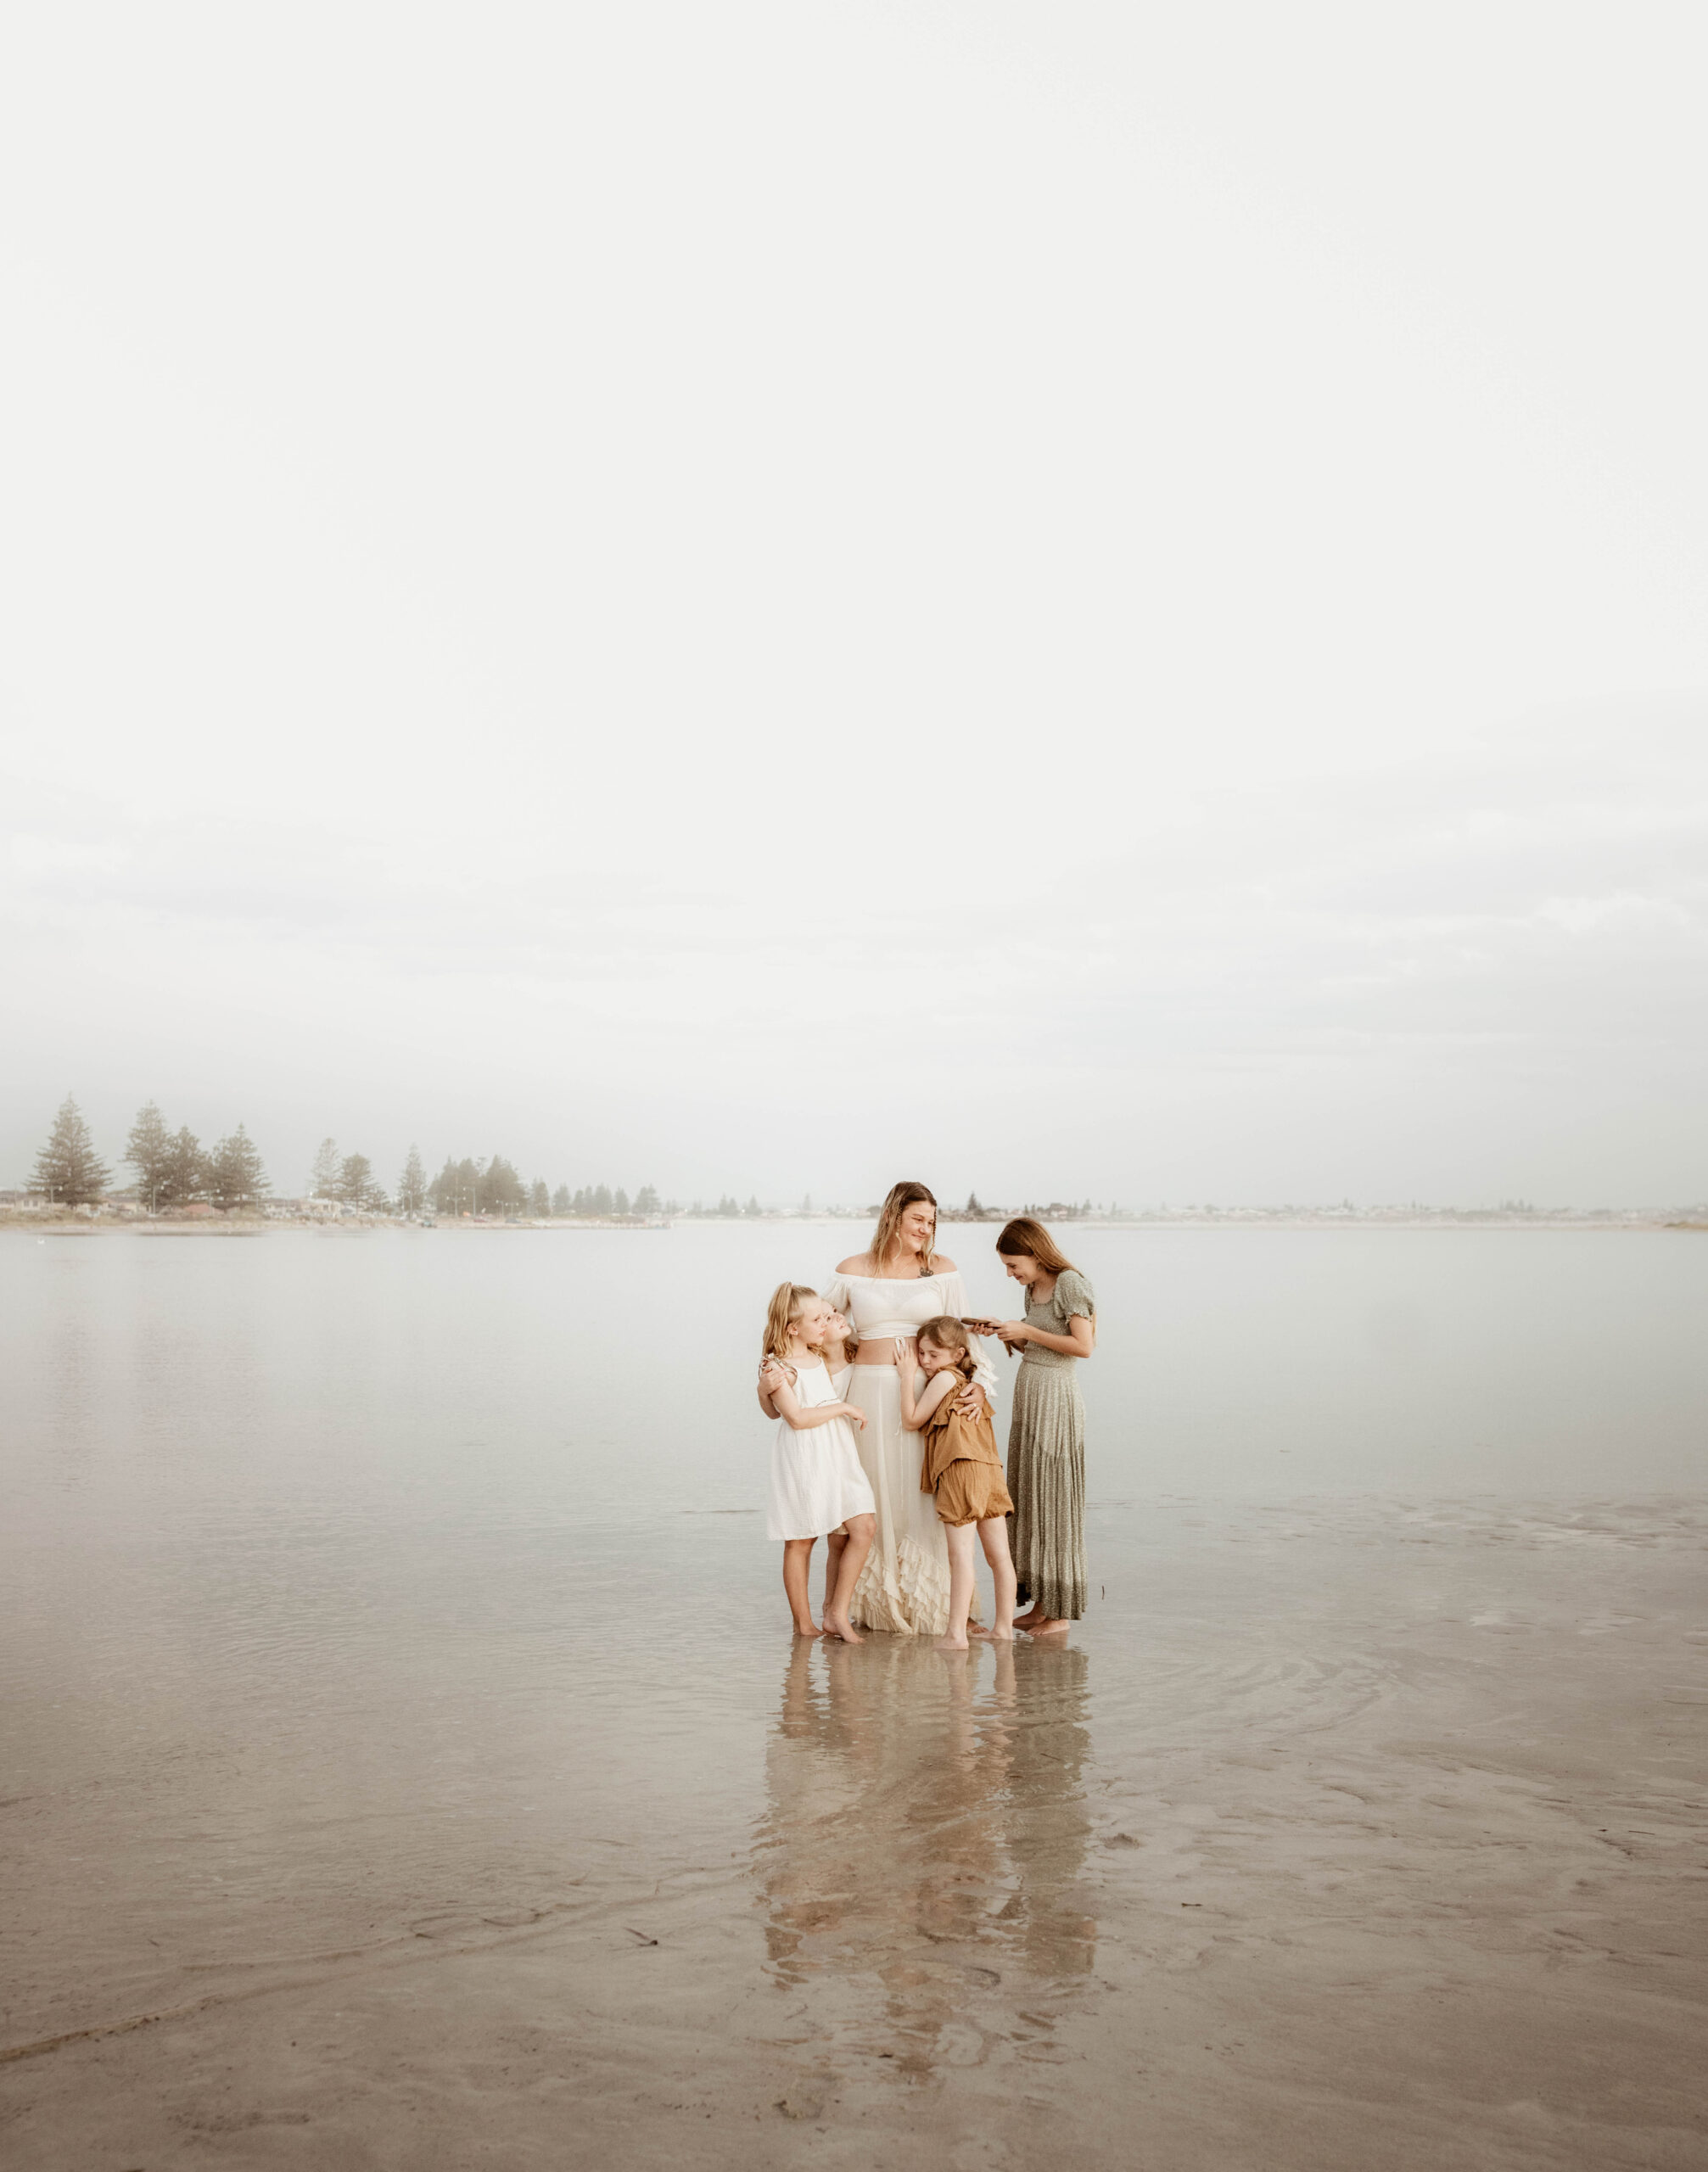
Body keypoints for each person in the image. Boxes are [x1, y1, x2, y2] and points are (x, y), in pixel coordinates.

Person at [815, 1181, 998, 1635]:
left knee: (923, 1497)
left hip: (928, 1399)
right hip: (865, 1397)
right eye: (918, 1218)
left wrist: (981, 1387)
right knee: (870, 1497)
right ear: (894, 1216)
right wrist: (786, 1370)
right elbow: (817, 1327)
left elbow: (965, 1338)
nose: (926, 1228)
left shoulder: (941, 1270)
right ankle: (863, 1605)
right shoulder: (851, 1269)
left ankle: (938, 1609)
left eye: (932, 1221)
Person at [972, 1219, 1095, 1636]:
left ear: (1035, 1252)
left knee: (1054, 1496)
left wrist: (1026, 1329)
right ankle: (1042, 1604)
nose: (1010, 1274)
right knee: (1030, 1494)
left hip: (1057, 1397)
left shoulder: (1070, 1283)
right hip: (1031, 1391)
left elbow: (1083, 1347)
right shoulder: (1033, 1289)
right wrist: (1010, 1334)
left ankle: (1059, 1613)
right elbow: (1042, 1341)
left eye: (1012, 1265)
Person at [761, 1283, 876, 1641]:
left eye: (826, 1316)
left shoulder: (815, 1354)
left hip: (837, 1452)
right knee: (802, 1539)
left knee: (864, 1526)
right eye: (817, 1319)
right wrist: (842, 1407)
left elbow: (771, 1408)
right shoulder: (782, 1368)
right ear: (793, 1328)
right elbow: (792, 1418)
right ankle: (803, 1623)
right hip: (806, 1454)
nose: (825, 1323)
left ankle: (836, 1613)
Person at [893, 1316, 1017, 1651]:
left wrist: (907, 1377)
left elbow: (911, 1420)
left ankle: (956, 1634)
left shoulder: (945, 1378)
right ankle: (1003, 1628)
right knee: (999, 1557)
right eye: (921, 1353)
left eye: (933, 1354)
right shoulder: (965, 1380)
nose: (924, 1361)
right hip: (989, 1467)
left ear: (957, 1353)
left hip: (960, 1468)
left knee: (961, 1555)